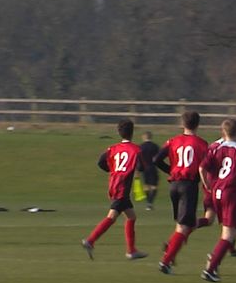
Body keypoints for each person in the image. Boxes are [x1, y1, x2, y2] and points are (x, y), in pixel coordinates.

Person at [81, 119, 148, 260]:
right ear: (132, 132)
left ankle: (131, 250)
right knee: (111, 217)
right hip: (122, 188)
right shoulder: (136, 149)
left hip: (114, 185)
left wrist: (113, 170)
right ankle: (90, 240)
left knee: (131, 216)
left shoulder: (113, 149)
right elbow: (143, 167)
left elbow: (100, 162)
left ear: (119, 133)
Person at [199, 118, 236, 282]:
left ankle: (216, 255)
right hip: (231, 193)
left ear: (223, 132)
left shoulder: (215, 149)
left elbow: (202, 167)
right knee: (229, 234)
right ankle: (210, 268)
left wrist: (208, 185)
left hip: (216, 192)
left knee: (234, 230)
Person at [154, 111, 208, 274]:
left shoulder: (172, 141)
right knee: (184, 227)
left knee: (185, 224)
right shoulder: (202, 144)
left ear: (182, 124)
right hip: (188, 186)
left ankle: (170, 247)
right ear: (198, 125)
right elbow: (206, 167)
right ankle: (165, 261)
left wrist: (171, 170)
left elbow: (156, 160)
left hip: (174, 185)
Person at [196, 136, 236, 257]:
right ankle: (185, 229)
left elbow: (204, 166)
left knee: (212, 221)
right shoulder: (224, 148)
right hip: (221, 188)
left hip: (213, 188)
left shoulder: (213, 146)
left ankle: (230, 248)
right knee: (230, 226)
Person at [138, 131, 160, 210]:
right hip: (153, 167)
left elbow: (138, 159)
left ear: (144, 137)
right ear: (151, 137)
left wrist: (138, 168)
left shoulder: (141, 147)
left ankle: (148, 203)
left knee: (146, 185)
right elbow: (159, 157)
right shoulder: (155, 146)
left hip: (145, 168)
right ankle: (150, 202)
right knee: (154, 186)